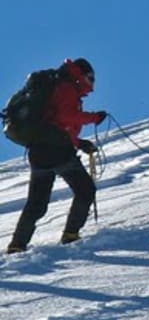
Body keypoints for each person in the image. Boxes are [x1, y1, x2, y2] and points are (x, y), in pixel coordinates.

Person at [7, 58, 107, 253]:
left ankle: (17, 245)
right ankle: (70, 235)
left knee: (37, 203)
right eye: (90, 78)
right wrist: (94, 118)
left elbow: (55, 124)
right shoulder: (67, 88)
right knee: (85, 190)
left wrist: (79, 143)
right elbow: (65, 117)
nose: (91, 83)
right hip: (58, 151)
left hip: (39, 151)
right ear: (79, 74)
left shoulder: (54, 87)